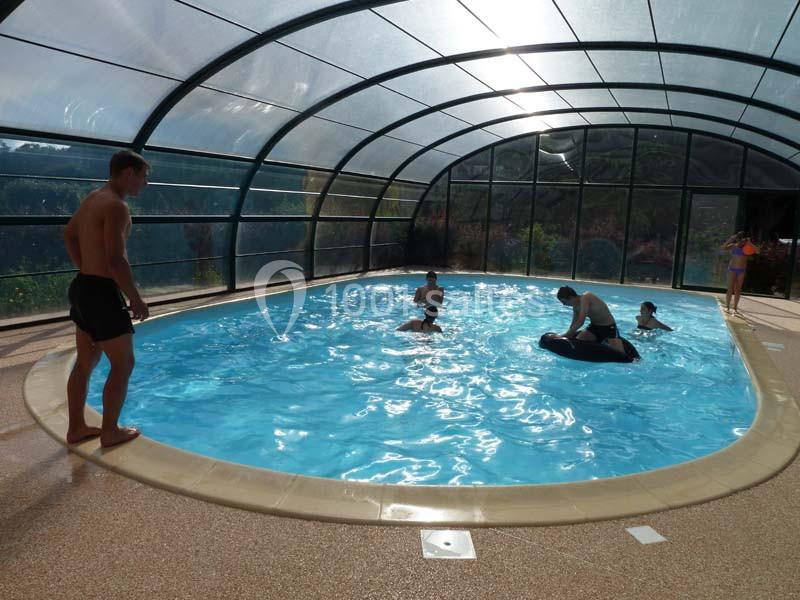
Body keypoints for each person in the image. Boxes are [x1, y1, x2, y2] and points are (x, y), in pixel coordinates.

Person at [63, 150, 150, 448]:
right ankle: (110, 431)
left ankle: (76, 428)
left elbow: (69, 234)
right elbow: (116, 260)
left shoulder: (94, 197)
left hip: (83, 287)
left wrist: (85, 268)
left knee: (86, 362)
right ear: (128, 173)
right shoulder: (116, 206)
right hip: (100, 293)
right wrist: (135, 298)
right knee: (124, 363)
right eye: (143, 177)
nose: (144, 184)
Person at [556, 286, 624, 353]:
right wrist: (568, 336)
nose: (564, 304)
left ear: (570, 298)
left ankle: (605, 342)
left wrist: (565, 335)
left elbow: (580, 322)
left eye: (564, 302)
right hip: (594, 328)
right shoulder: (575, 307)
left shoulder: (586, 296)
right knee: (578, 343)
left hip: (609, 327)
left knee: (620, 354)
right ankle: (601, 343)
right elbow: (573, 324)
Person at [721, 231, 759, 313]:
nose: (741, 242)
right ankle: (727, 306)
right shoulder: (733, 246)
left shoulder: (747, 248)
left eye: (743, 240)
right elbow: (723, 248)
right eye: (739, 240)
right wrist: (730, 239)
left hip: (741, 270)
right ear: (737, 239)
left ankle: (735, 308)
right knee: (730, 288)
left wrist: (750, 243)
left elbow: (758, 251)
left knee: (738, 289)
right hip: (732, 269)